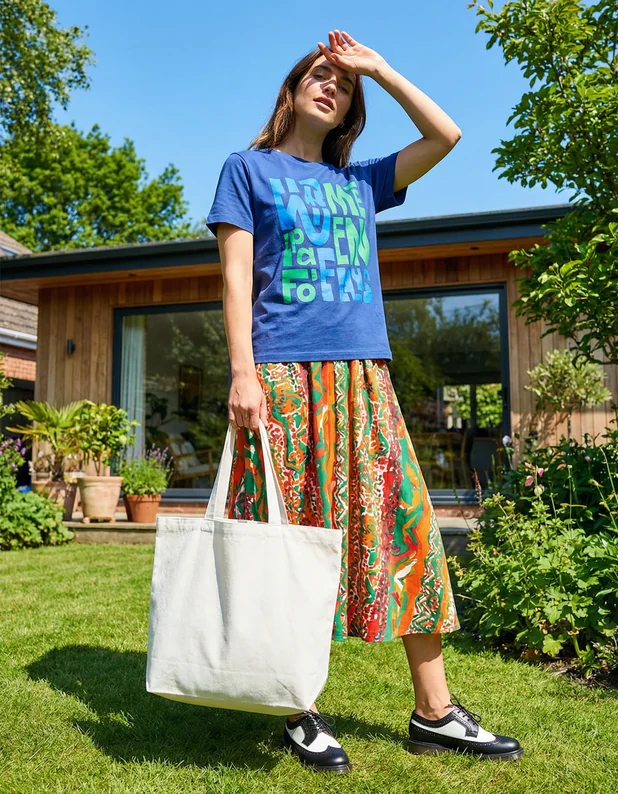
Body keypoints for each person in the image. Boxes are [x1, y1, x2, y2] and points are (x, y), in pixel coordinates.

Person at [205, 29, 523, 773]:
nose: (332, 86)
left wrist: (377, 67)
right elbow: (235, 279)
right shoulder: (246, 170)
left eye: (342, 85)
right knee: (292, 542)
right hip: (284, 380)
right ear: (291, 90)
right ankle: (297, 706)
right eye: (321, 75)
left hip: (364, 380)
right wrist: (243, 373)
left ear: (352, 108)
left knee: (409, 528)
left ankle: (435, 712)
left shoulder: (360, 182)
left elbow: (446, 133)